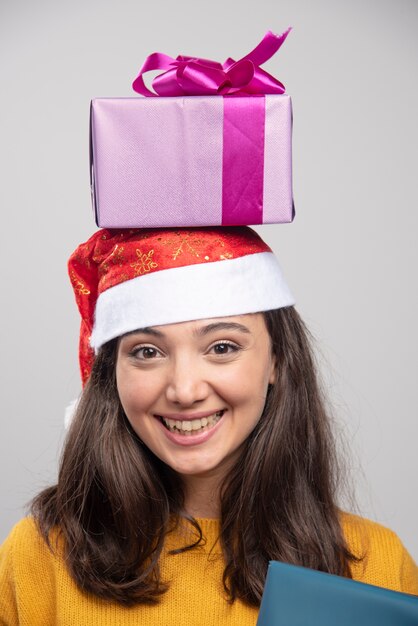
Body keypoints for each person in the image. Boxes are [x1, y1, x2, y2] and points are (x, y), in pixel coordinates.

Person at [0, 226, 417, 625]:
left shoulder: (376, 567)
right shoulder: (39, 557)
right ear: (112, 373)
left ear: (276, 360)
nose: (184, 390)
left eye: (222, 347)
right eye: (147, 352)